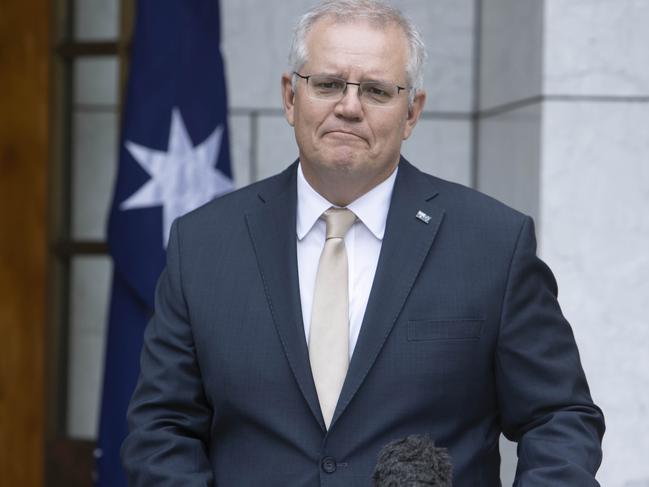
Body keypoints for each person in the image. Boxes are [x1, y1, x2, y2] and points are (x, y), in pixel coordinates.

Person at [121, 1, 605, 485]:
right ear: (291, 97)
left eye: (376, 90)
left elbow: (559, 418)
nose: (349, 107)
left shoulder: (493, 244)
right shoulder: (202, 244)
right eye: (328, 84)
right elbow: (162, 429)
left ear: (412, 111)